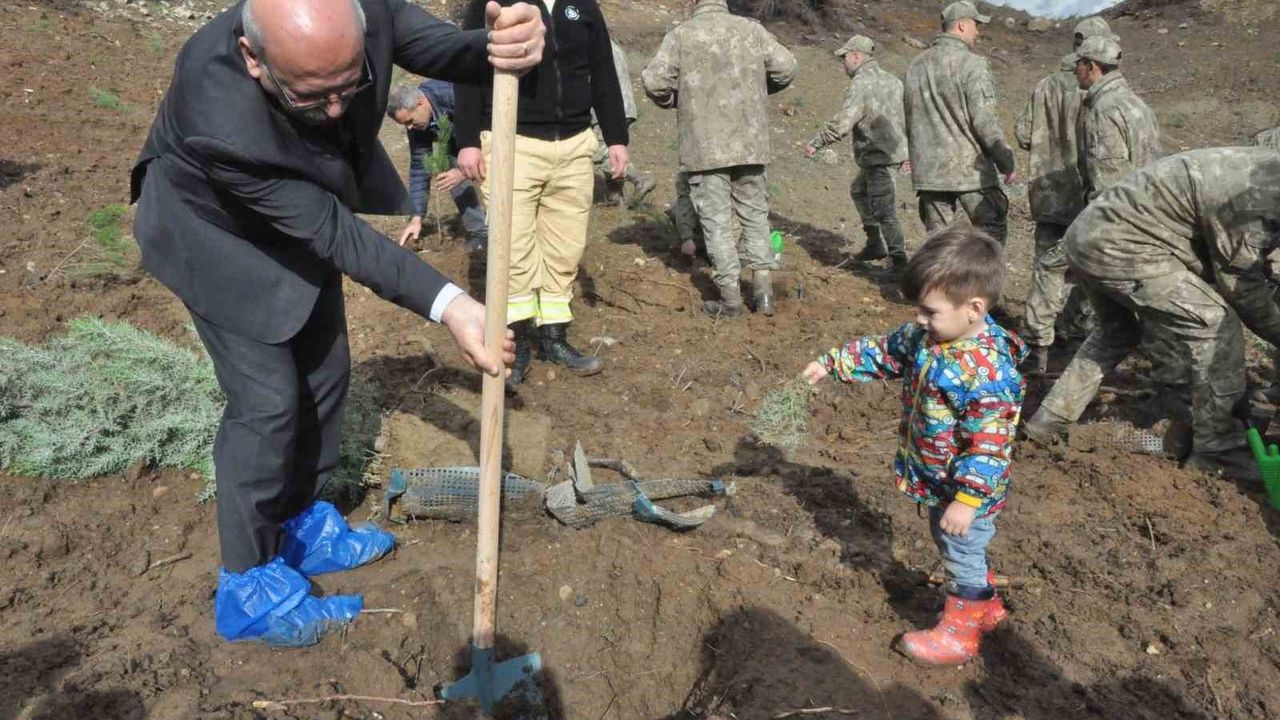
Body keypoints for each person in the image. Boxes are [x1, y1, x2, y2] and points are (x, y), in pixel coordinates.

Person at [129, 0, 542, 646]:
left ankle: (303, 520)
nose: (335, 112)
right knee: (267, 400)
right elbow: (336, 236)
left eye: (347, 87)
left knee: (326, 367)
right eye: (311, 95)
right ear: (253, 59)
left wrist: (503, 46)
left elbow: (443, 51)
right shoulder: (216, 110)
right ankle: (248, 584)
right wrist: (453, 305)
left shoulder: (362, 10)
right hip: (211, 230)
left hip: (297, 203)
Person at [801, 226, 1026, 666]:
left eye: (929, 311)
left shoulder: (989, 374)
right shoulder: (930, 337)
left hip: (967, 492)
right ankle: (988, 608)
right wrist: (833, 363)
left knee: (959, 548)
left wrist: (966, 499)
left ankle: (961, 632)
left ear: (973, 309)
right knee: (957, 547)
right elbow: (884, 351)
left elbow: (990, 447)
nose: (920, 319)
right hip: (940, 478)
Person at [1022, 148, 1280, 481]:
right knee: (1215, 322)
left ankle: (1050, 420)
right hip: (1122, 244)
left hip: (1091, 234)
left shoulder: (1263, 169)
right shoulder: (1257, 200)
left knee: (1118, 332)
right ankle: (1218, 450)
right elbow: (1240, 286)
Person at [455, 0, 629, 390]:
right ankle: (516, 345)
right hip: (512, 142)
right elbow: (466, 69)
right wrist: (466, 140)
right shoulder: (494, 3)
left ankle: (554, 337)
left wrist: (616, 136)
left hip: (574, 144)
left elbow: (602, 68)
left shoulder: (582, 5)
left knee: (564, 248)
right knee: (512, 249)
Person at [642, 0, 796, 318]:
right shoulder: (752, 30)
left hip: (705, 147)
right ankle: (764, 293)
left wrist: (678, 99)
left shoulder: (682, 36)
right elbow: (786, 67)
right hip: (750, 143)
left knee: (717, 224)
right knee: (755, 217)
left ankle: (730, 301)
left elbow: (654, 81)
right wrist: (758, 90)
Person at [1013, 17, 1114, 374]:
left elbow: (1024, 134)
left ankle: (1037, 343)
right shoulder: (1097, 89)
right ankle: (1071, 334)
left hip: (1047, 195)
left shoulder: (1045, 84)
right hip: (1085, 198)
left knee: (1046, 271)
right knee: (1088, 272)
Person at [904, 1, 1018, 244]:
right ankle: (981, 282)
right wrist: (1006, 161)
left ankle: (937, 283)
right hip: (969, 172)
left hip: (930, 171)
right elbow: (984, 121)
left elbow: (910, 116)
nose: (979, 31)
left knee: (938, 243)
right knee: (991, 235)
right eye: (976, 25)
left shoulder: (915, 65)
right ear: (963, 25)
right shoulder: (973, 64)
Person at [805, 34, 910, 275]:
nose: (843, 64)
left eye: (845, 58)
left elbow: (845, 120)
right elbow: (907, 118)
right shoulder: (894, 81)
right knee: (859, 190)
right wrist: (907, 153)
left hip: (879, 157)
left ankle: (899, 260)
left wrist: (817, 142)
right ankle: (875, 244)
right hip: (889, 154)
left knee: (886, 210)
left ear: (855, 56)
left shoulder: (861, 83)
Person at [386, 79, 489, 253]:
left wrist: (463, 172)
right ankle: (480, 233)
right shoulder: (417, 124)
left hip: (487, 135)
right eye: (404, 124)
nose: (409, 128)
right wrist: (416, 217)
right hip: (458, 139)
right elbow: (420, 166)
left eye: (409, 121)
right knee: (450, 173)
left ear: (420, 103)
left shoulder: (453, 96)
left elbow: (492, 139)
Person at [1074, 35, 1161, 200]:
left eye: (1078, 63)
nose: (1074, 70)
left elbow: (1110, 187)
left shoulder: (1104, 110)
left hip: (1124, 217)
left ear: (1091, 66)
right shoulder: (1137, 103)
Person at [592, 38, 655, 208]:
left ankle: (639, 178)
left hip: (606, 107)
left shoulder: (594, 43)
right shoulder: (614, 46)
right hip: (625, 106)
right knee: (614, 148)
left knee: (601, 152)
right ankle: (614, 196)